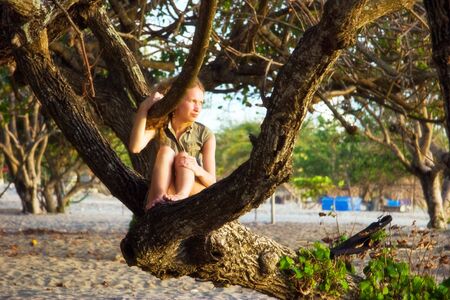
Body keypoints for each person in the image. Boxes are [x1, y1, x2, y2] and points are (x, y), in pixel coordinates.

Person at [129, 78, 216, 211]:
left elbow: (212, 182)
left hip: (192, 193)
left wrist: (197, 169)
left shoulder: (205, 134)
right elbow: (135, 147)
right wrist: (143, 109)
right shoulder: (159, 126)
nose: (198, 108)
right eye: (193, 101)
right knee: (166, 151)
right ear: (176, 101)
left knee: (183, 157)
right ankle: (157, 202)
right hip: (164, 190)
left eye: (201, 103)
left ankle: (180, 196)